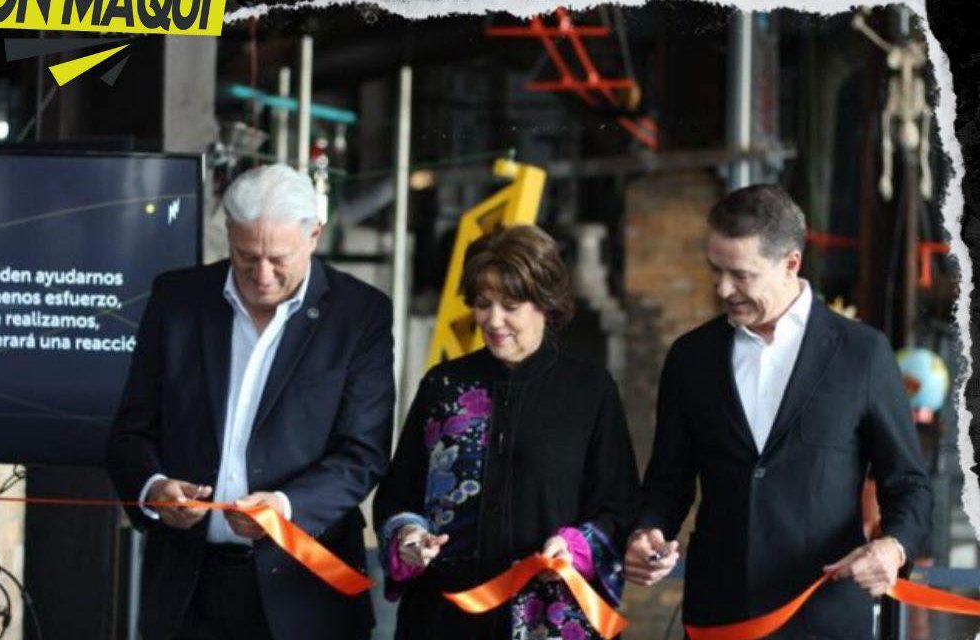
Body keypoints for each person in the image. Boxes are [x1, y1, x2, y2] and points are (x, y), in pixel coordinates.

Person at [624, 184, 933, 638]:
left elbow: (909, 484)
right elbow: (668, 481)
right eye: (715, 270)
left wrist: (893, 547)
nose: (723, 288)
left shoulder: (861, 354)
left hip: (825, 619)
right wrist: (647, 531)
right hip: (719, 617)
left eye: (741, 275)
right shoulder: (690, 358)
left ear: (791, 263)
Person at [105, 164, 394, 640]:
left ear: (314, 235)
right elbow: (129, 432)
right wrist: (154, 488)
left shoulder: (358, 315)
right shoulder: (178, 300)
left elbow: (363, 454)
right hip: (186, 590)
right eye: (245, 256)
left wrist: (285, 506)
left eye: (278, 258)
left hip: (304, 594)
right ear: (228, 236)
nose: (261, 275)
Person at [373, 225, 639, 640]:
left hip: (549, 618)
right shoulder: (444, 386)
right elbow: (398, 493)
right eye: (483, 304)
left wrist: (574, 546)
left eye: (510, 305)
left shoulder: (589, 390)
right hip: (444, 618)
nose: (493, 320)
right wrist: (408, 534)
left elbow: (618, 505)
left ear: (545, 305)